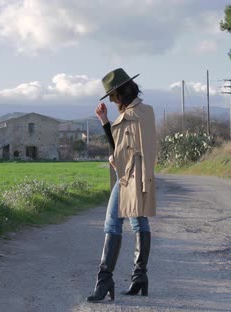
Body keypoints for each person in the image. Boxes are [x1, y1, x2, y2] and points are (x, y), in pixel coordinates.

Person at [86, 68, 157, 302]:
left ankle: (104, 281)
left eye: (113, 96)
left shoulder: (136, 114)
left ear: (122, 92)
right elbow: (120, 146)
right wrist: (106, 122)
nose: (113, 100)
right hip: (134, 174)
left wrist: (120, 163)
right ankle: (139, 277)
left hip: (130, 176)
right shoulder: (137, 112)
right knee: (138, 221)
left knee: (112, 223)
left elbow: (133, 150)